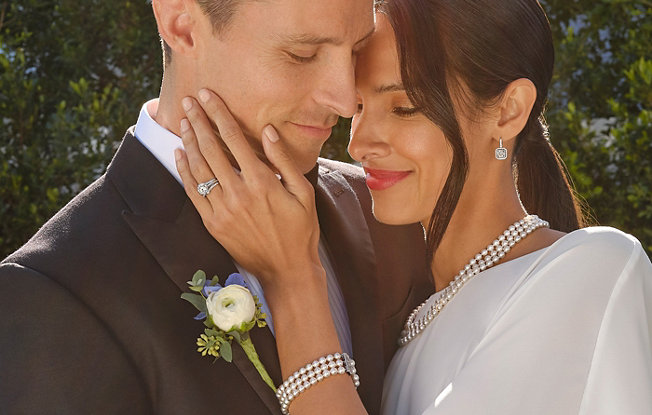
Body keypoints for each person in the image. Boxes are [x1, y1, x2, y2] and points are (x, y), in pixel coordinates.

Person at [175, 0, 652, 414]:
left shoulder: (596, 269)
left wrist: (294, 281)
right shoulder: (410, 319)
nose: (358, 144)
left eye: (404, 108)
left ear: (507, 112)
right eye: (358, 108)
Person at [0, 1, 432, 413]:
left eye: (357, 49)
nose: (343, 99)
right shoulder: (56, 292)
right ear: (182, 24)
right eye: (302, 54)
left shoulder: (391, 215)